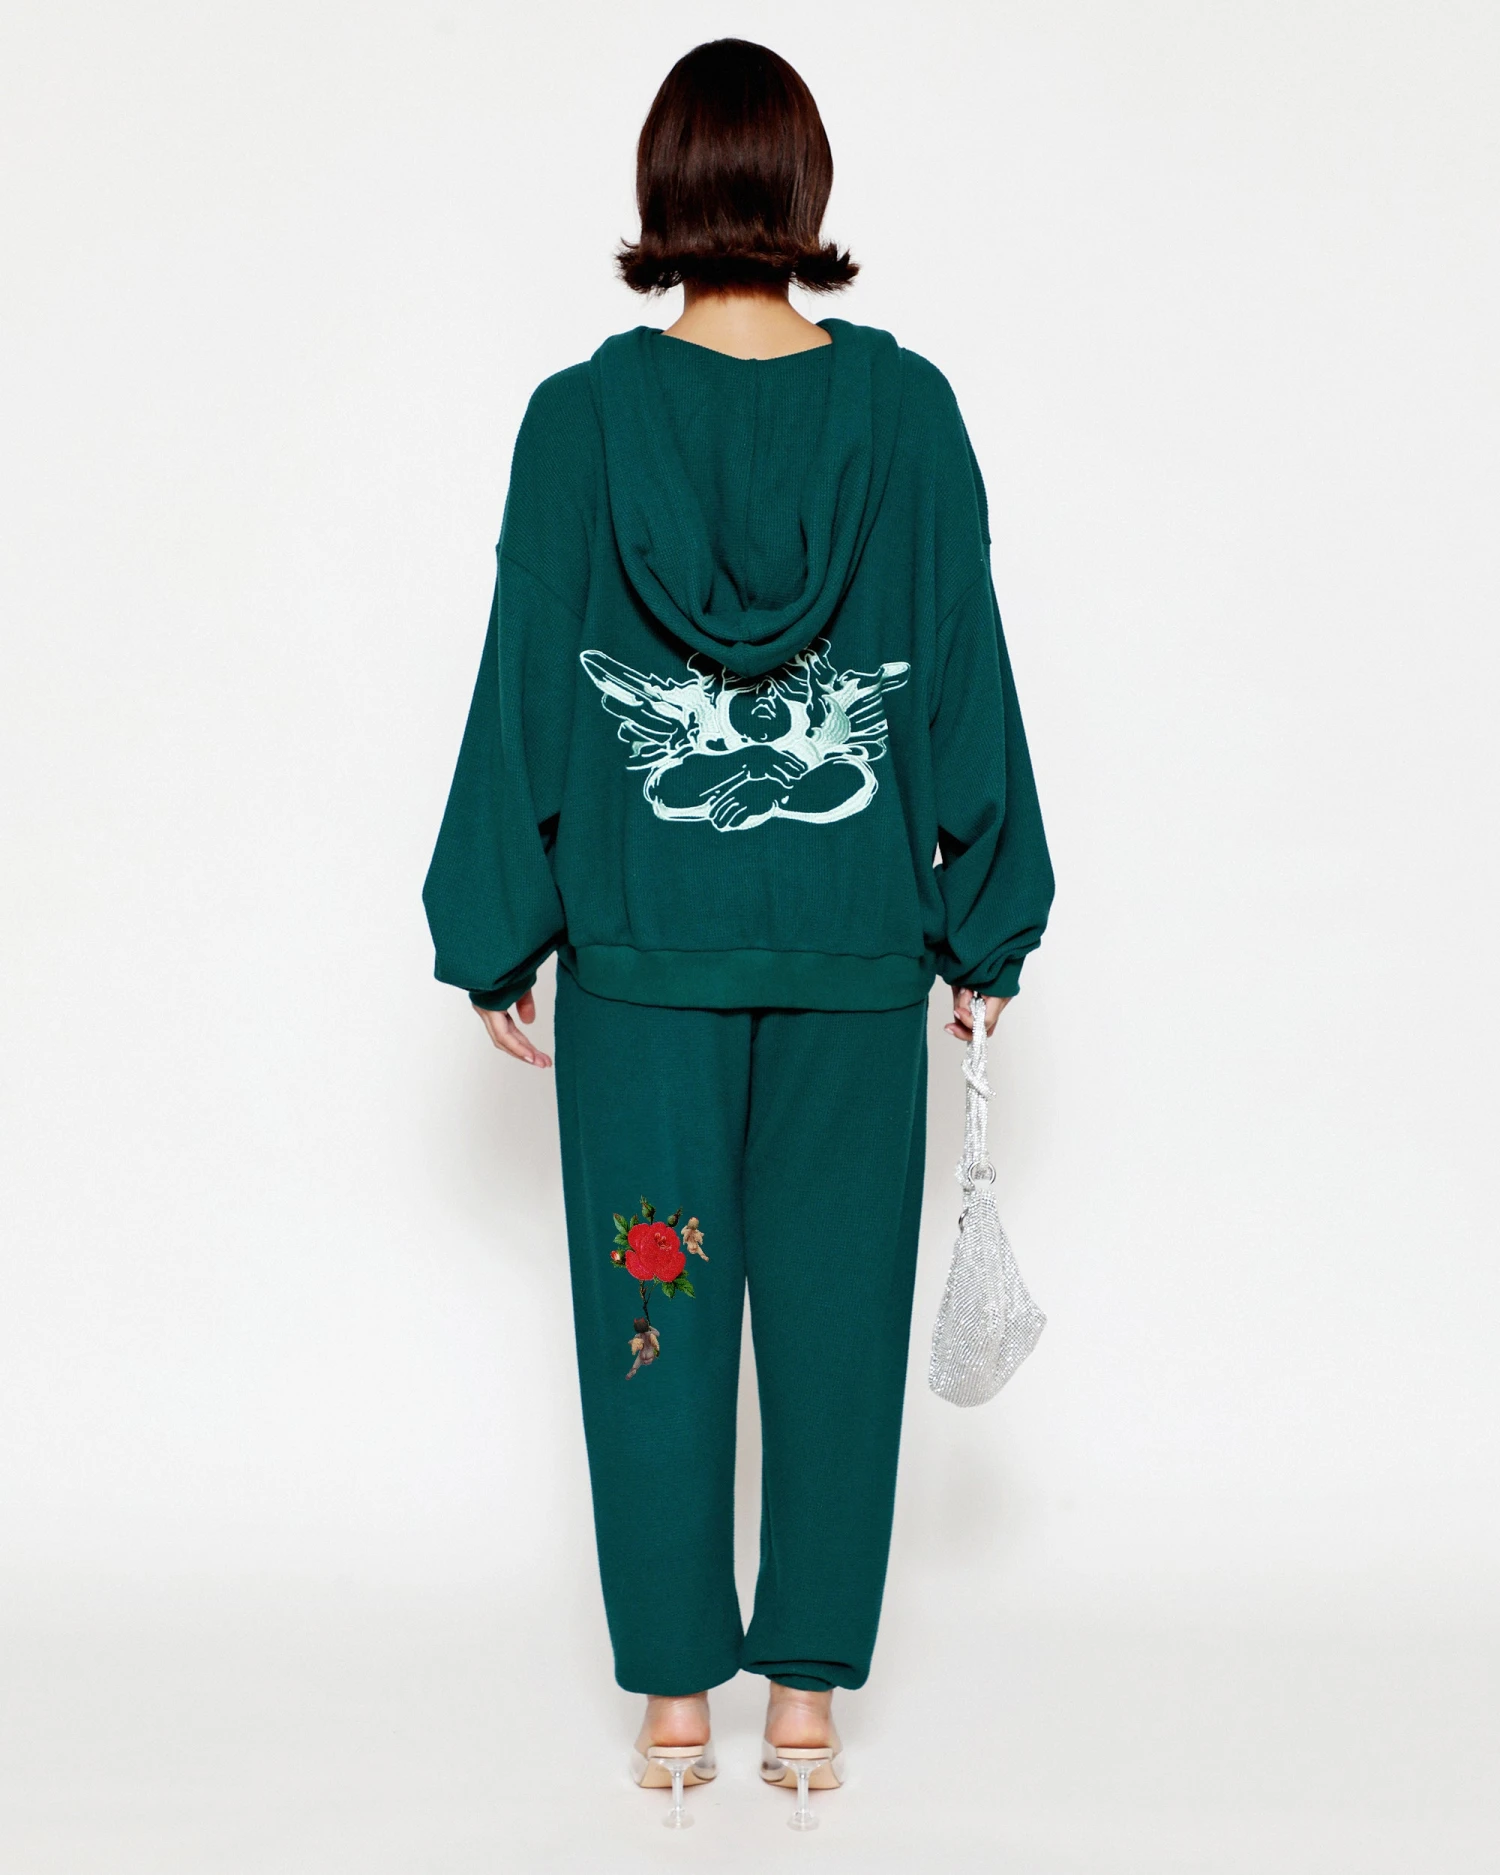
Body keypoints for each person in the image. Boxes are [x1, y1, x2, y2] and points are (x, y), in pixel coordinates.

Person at [423, 37, 1054, 1824]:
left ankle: (673, 1707)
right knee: (839, 1334)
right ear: (805, 191)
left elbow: (528, 681)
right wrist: (987, 919)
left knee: (655, 1326)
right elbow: (964, 670)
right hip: (853, 963)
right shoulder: (908, 417)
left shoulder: (580, 420)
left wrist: (496, 923)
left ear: (662, 194)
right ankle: (807, 1712)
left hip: (644, 973)